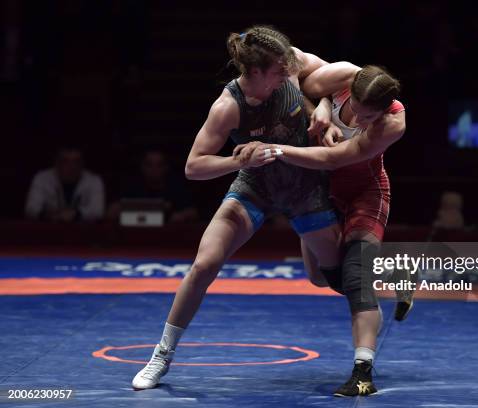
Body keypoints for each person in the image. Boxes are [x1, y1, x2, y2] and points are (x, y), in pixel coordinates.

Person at [131, 26, 342, 390]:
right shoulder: (228, 106)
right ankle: (161, 357)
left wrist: (323, 105)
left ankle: (307, 236)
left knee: (325, 278)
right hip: (256, 186)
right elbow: (193, 167)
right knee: (205, 263)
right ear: (256, 72)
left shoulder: (289, 62)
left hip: (304, 187)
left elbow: (342, 81)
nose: (286, 76)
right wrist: (237, 160)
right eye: (278, 73)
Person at [235, 62, 410, 396]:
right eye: (354, 109)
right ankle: (396, 275)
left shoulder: (393, 122)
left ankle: (362, 372)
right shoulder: (344, 73)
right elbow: (290, 65)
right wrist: (325, 107)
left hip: (365, 193)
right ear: (350, 88)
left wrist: (274, 150)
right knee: (320, 277)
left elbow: (333, 159)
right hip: (318, 191)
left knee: (357, 274)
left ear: (384, 110)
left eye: (367, 118)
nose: (359, 120)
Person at [106, 149, 199, 223]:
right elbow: (111, 212)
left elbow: (193, 212)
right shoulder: (130, 187)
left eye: (159, 165)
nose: (154, 169)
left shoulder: (176, 188)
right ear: (142, 166)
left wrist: (182, 215)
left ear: (166, 167)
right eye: (149, 165)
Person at [24, 146, 105, 222]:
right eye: (66, 161)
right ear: (56, 163)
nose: (72, 167)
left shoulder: (94, 180)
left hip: (82, 232)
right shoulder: (42, 178)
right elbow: (31, 209)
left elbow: (98, 211)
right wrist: (48, 215)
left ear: (82, 164)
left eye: (76, 162)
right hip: (48, 230)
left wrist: (76, 214)